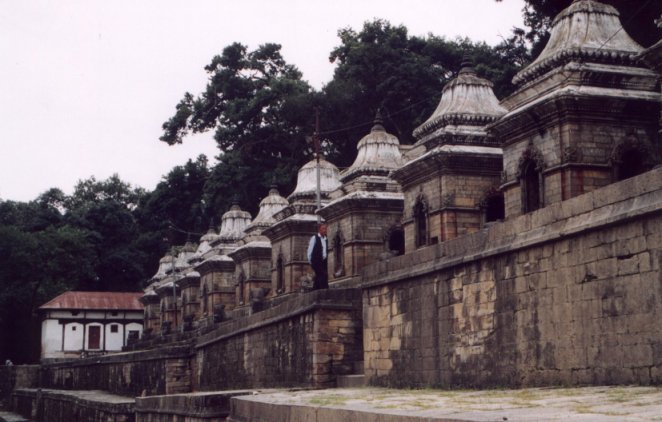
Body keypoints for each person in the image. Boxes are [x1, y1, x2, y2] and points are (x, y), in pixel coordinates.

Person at [307, 223, 328, 290]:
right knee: (322, 274)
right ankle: (323, 289)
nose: (325, 230)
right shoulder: (315, 238)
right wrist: (311, 261)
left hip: (323, 261)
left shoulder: (326, 239)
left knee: (319, 276)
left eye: (325, 229)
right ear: (319, 230)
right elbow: (310, 250)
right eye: (323, 229)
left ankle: (315, 289)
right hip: (316, 260)